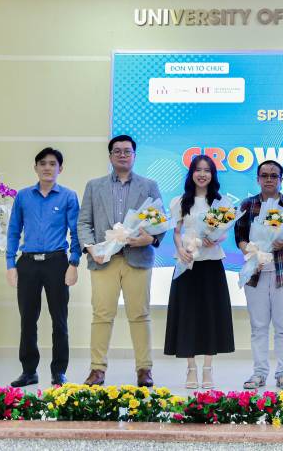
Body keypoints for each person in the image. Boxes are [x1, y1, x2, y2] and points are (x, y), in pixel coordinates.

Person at [77, 134, 163, 387]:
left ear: (134, 156)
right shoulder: (94, 186)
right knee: (102, 315)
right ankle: (97, 369)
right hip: (103, 260)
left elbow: (160, 222)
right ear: (110, 156)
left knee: (140, 315)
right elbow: (84, 222)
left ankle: (144, 369)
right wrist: (91, 248)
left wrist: (150, 239)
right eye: (117, 151)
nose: (122, 155)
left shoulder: (149, 185)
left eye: (127, 151)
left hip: (138, 258)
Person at [6, 147, 80, 387]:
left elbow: (76, 232)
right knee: (28, 319)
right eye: (43, 163)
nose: (47, 167)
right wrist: (10, 263)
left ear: (60, 168)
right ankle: (29, 371)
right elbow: (14, 230)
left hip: (57, 262)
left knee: (60, 319)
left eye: (52, 163)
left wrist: (74, 262)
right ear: (35, 167)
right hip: (27, 263)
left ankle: (59, 372)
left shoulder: (68, 197)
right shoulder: (23, 196)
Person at [234, 160, 283, 390]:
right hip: (255, 273)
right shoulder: (248, 204)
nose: (268, 179)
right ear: (257, 179)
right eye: (264, 175)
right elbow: (239, 236)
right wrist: (252, 252)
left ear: (281, 179)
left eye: (273, 176)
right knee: (258, 327)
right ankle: (259, 373)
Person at [165, 155, 234, 388]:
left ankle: (207, 369)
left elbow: (224, 232)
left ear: (213, 175)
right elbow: (176, 232)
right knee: (187, 316)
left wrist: (216, 238)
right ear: (191, 173)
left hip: (211, 264)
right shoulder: (179, 201)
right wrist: (180, 250)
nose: (202, 174)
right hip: (187, 264)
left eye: (207, 170)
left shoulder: (221, 202)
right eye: (198, 169)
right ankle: (191, 369)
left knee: (210, 316)